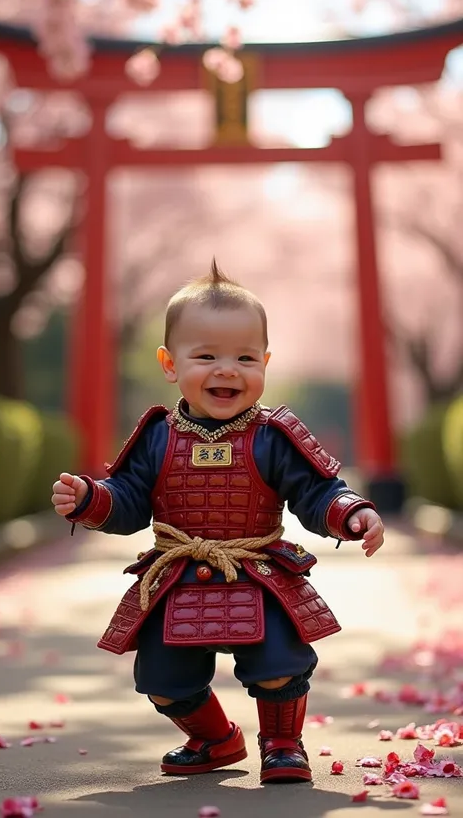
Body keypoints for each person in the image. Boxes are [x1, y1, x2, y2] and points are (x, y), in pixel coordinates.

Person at [52, 260, 384, 785]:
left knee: (280, 666)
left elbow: (316, 491)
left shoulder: (275, 435)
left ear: (266, 363)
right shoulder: (158, 435)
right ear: (169, 363)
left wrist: (350, 511)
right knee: (162, 679)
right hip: (179, 576)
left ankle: (281, 743)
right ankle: (213, 736)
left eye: (246, 358)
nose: (227, 369)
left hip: (258, 574)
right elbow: (130, 498)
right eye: (206, 356)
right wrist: (91, 499)